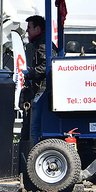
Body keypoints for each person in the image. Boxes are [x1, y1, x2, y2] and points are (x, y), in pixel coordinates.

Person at [22, 15, 55, 146]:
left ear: (37, 28)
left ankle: (36, 152)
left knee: (35, 128)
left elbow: (46, 66)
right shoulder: (42, 42)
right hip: (42, 89)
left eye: (29, 27)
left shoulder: (42, 44)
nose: (27, 30)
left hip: (41, 90)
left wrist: (29, 74)